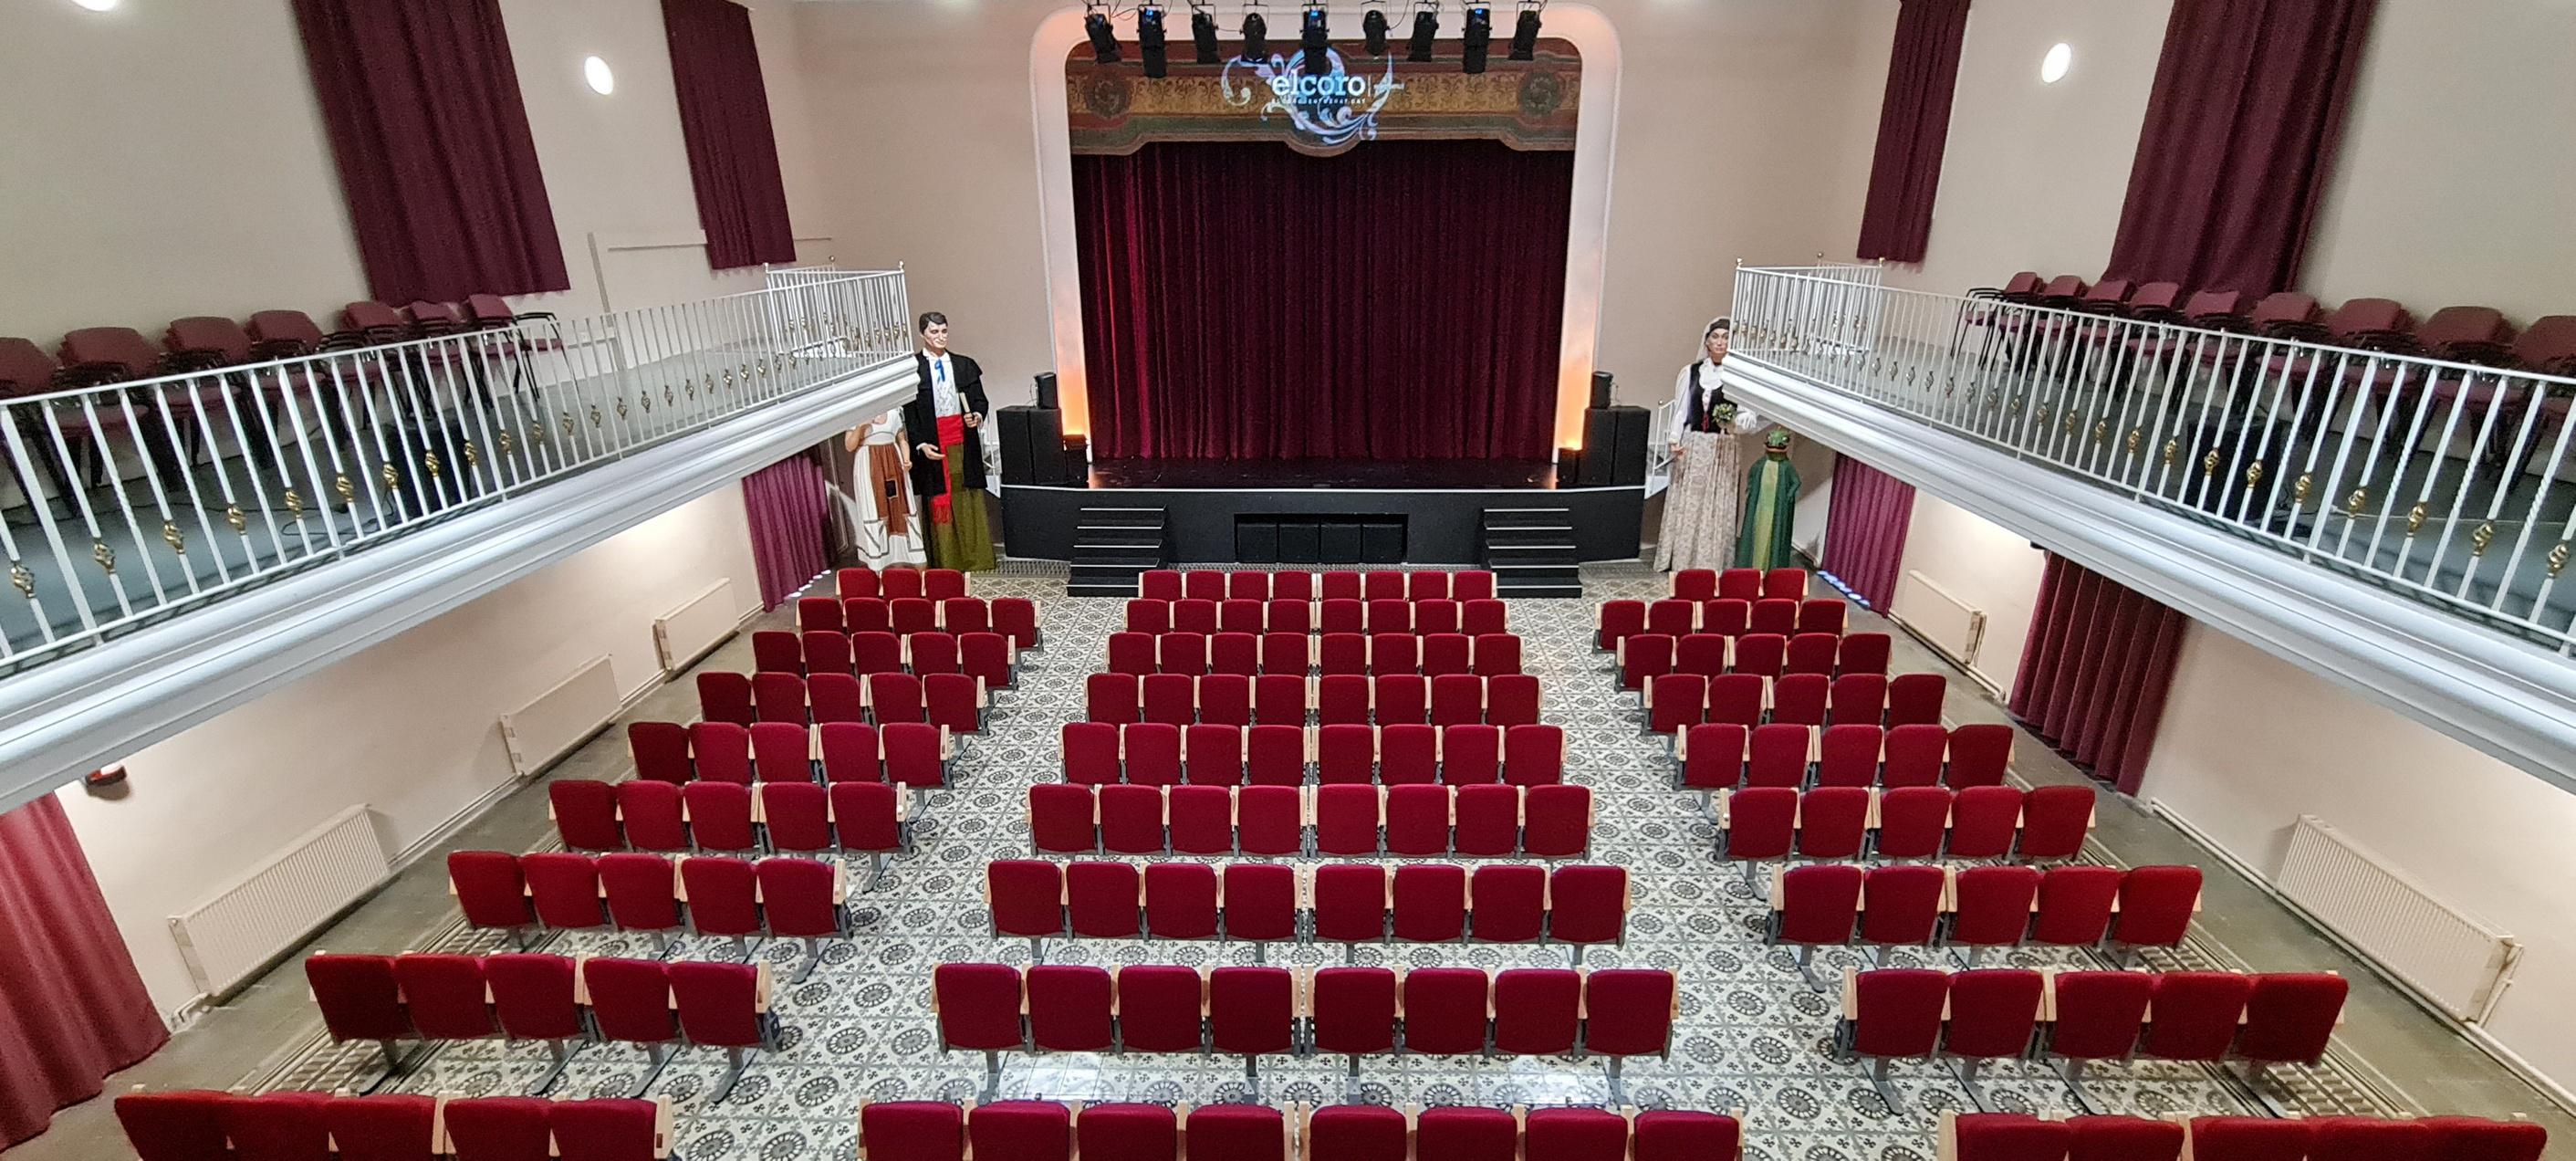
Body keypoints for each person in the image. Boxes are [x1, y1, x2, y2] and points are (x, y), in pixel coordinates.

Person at [1654, 318, 1763, 572]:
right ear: (1707, 341)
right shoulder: (1691, 372)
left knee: (1715, 502)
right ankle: (1682, 559)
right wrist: (1674, 440)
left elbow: (1750, 419)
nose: (1720, 342)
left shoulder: (1739, 378)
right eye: (1716, 336)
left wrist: (1732, 421)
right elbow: (1681, 411)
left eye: (1726, 337)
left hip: (1723, 446)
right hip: (1694, 444)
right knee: (1689, 500)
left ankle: (1708, 562)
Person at [899, 311, 998, 571]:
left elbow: (980, 401)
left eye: (944, 331)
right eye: (934, 332)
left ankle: (976, 557)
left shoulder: (964, 365)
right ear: (923, 334)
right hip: (933, 443)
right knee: (939, 499)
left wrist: (976, 416)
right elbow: (910, 414)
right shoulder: (913, 369)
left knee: (967, 495)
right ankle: (946, 561)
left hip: (962, 440)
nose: (940, 337)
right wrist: (921, 444)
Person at [1736, 428, 1802, 570]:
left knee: (1773, 534)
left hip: (1776, 507)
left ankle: (1770, 568)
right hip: (1760, 506)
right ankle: (1752, 566)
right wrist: (1751, 488)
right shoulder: (1762, 464)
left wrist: (1788, 496)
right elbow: (1752, 475)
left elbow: (1796, 482)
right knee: (1757, 534)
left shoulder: (1786, 467)